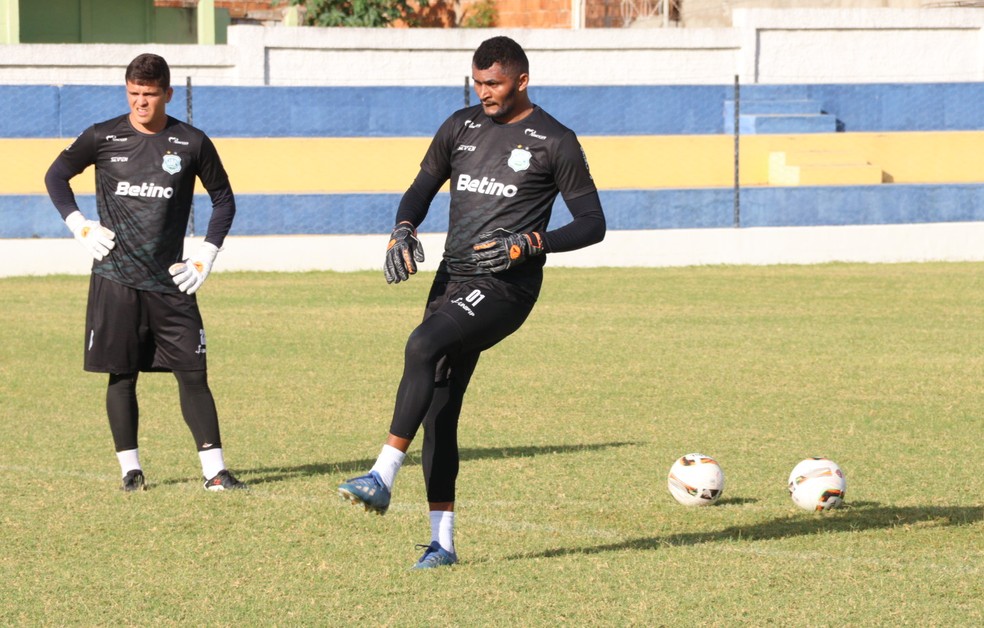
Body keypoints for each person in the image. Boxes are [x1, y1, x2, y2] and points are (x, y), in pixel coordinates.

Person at [338, 36, 606, 569]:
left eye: (495, 84)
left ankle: (383, 474)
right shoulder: (459, 127)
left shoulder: (555, 141)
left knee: (422, 343)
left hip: (507, 287)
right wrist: (403, 228)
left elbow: (593, 223)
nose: (483, 92)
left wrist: (533, 242)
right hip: (452, 279)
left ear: (521, 81)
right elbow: (421, 187)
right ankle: (443, 544)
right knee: (438, 411)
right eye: (478, 82)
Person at [44, 53, 246, 492]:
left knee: (194, 373)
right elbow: (56, 175)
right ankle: (130, 472)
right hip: (114, 278)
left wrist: (206, 255)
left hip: (171, 282)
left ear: (167, 94)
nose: (140, 102)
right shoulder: (102, 136)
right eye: (134, 93)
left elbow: (224, 200)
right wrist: (78, 224)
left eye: (149, 95)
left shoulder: (191, 142)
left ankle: (215, 472)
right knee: (123, 375)